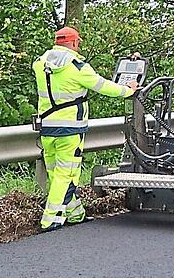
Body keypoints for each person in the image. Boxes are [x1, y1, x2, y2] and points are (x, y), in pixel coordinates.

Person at [33, 26, 137, 231]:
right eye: (77, 43)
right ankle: (50, 218)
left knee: (56, 173)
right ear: (73, 42)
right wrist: (128, 90)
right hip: (70, 130)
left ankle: (75, 213)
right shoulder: (77, 67)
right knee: (66, 174)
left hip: (47, 128)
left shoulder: (39, 64)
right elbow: (104, 86)